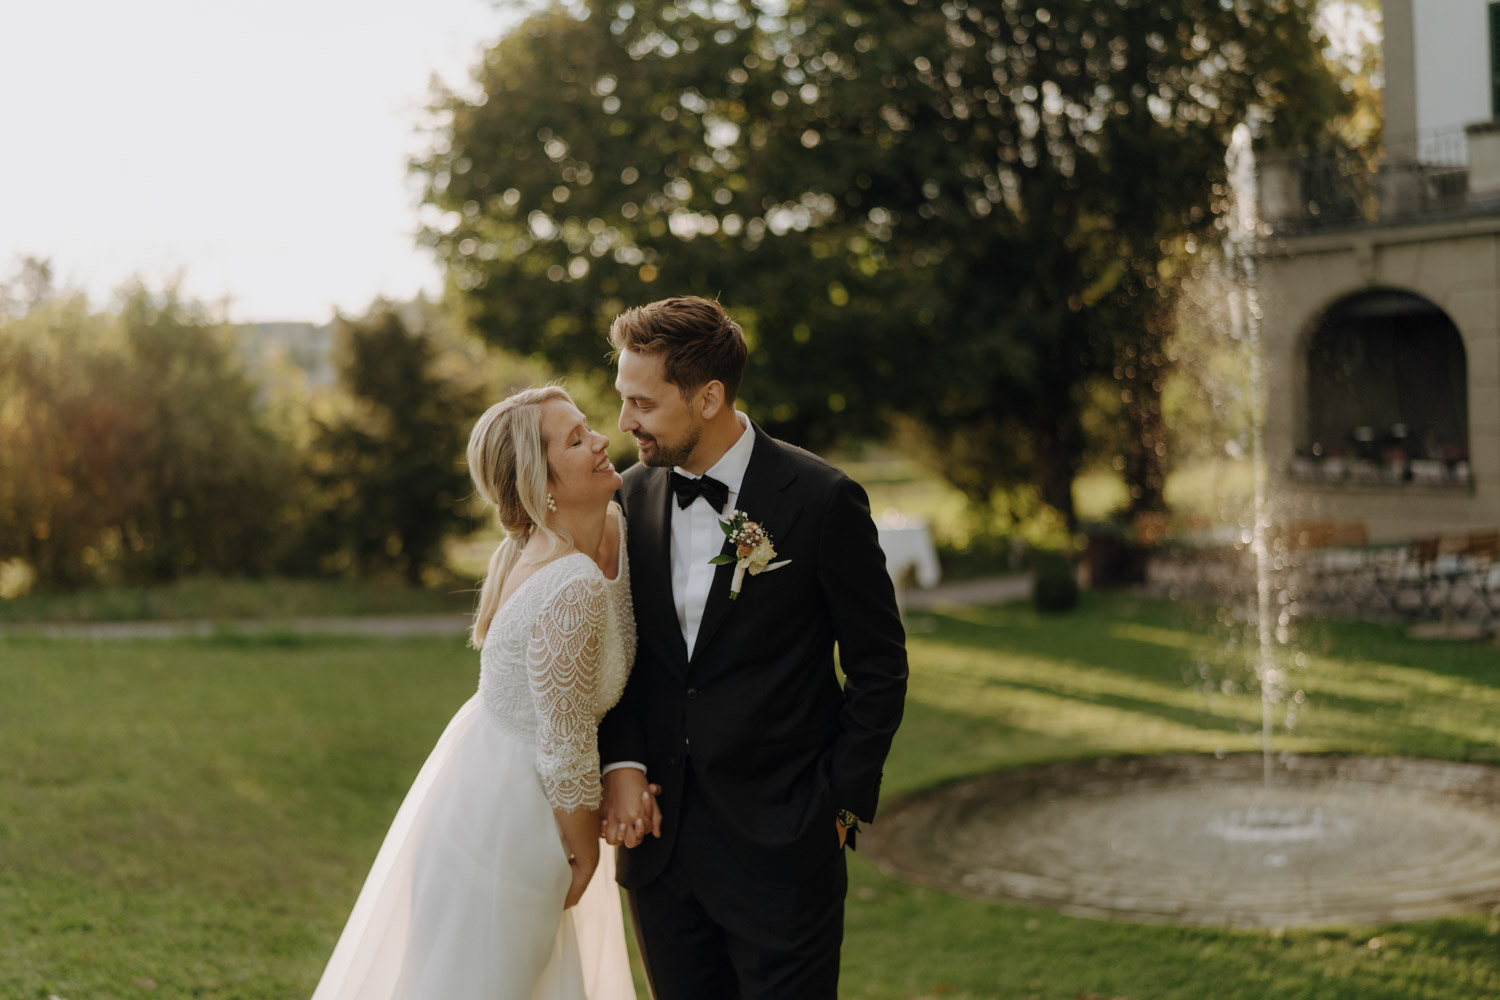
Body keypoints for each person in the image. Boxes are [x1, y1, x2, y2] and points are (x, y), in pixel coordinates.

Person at [597, 297, 909, 999]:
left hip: (785, 849)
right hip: (661, 851)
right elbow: (613, 656)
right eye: (623, 401)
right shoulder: (628, 497)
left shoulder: (824, 500)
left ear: (708, 397)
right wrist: (620, 758)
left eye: (642, 403)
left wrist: (836, 807)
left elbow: (879, 667)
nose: (625, 423)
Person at [310, 386, 638, 1000]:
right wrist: (584, 853)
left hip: (479, 786)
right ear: (542, 484)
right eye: (575, 440)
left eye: (586, 427)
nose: (600, 441)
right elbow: (565, 749)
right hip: (513, 821)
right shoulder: (571, 585)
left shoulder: (591, 533)